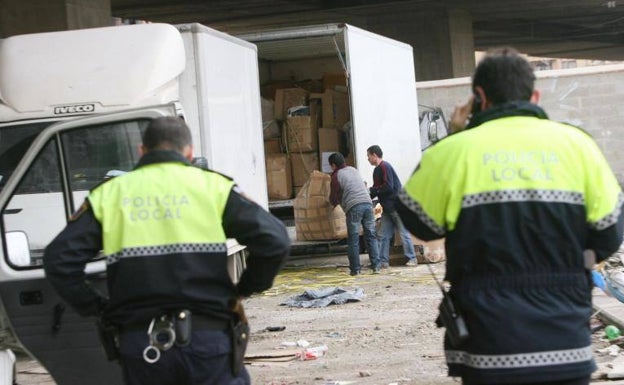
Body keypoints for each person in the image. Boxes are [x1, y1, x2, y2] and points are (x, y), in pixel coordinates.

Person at [397, 47, 624, 385]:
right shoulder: (579, 146)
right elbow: (609, 236)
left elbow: (420, 223)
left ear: (479, 97)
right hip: (566, 341)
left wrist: (457, 134)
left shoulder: (451, 152)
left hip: (488, 345)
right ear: (535, 96)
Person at [43, 116, 290, 385]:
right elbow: (275, 240)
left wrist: (97, 307)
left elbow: (59, 260)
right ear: (189, 151)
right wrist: (244, 288)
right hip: (207, 339)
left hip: (142, 345)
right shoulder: (212, 187)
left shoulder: (109, 195)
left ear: (142, 150)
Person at [328, 152, 381, 275]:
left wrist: (333, 205)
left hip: (354, 206)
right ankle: (376, 267)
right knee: (371, 236)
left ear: (333, 165)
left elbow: (333, 197)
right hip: (368, 204)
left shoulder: (336, 175)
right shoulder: (353, 169)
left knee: (353, 238)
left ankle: (355, 269)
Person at [366, 145, 417, 268]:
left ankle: (412, 258)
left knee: (403, 233)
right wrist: (368, 194)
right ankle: (383, 261)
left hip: (396, 206)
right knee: (383, 235)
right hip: (388, 209)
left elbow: (388, 186)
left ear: (374, 155)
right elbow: (378, 188)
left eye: (368, 156)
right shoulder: (377, 170)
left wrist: (372, 190)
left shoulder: (385, 166)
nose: (367, 159)